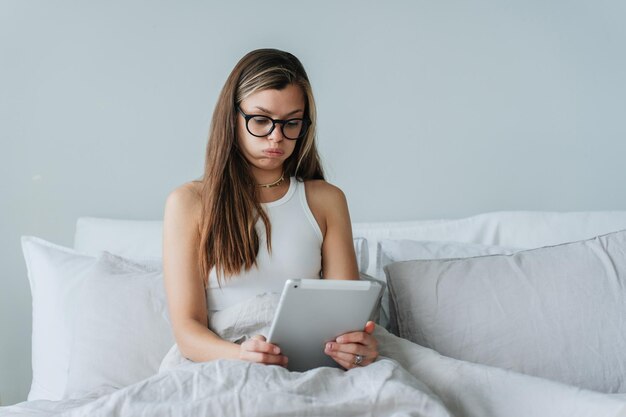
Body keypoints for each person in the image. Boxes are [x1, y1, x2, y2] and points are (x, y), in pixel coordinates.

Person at [163, 48, 378, 371]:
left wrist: (357, 349)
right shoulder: (189, 203)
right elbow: (187, 332)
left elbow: (343, 324)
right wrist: (243, 356)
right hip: (225, 361)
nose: (277, 137)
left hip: (313, 364)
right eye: (261, 120)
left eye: (291, 123)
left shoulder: (326, 200)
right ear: (231, 117)